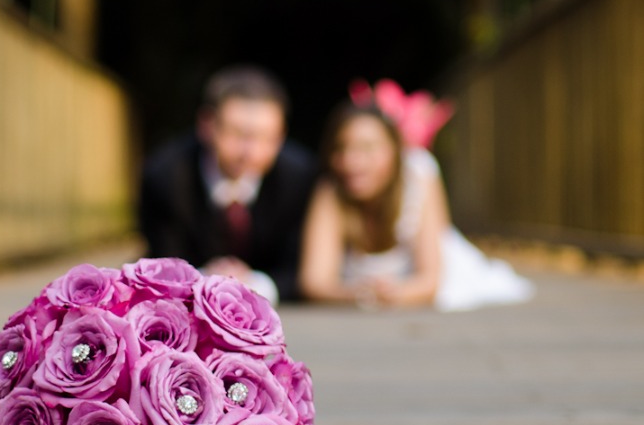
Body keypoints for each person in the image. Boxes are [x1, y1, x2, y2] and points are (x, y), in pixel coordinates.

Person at [299, 87, 535, 311]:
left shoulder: (420, 174)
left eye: (367, 148)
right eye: (341, 149)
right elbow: (314, 282)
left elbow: (431, 282)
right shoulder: (331, 189)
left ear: (396, 151)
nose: (351, 161)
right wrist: (363, 294)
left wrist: (392, 294)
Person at [139, 66, 317, 304]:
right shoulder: (165, 175)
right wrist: (205, 279)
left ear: (281, 135)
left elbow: (301, 267)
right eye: (237, 133)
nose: (249, 152)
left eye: (265, 137)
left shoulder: (300, 178)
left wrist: (255, 284)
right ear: (207, 125)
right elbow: (161, 264)